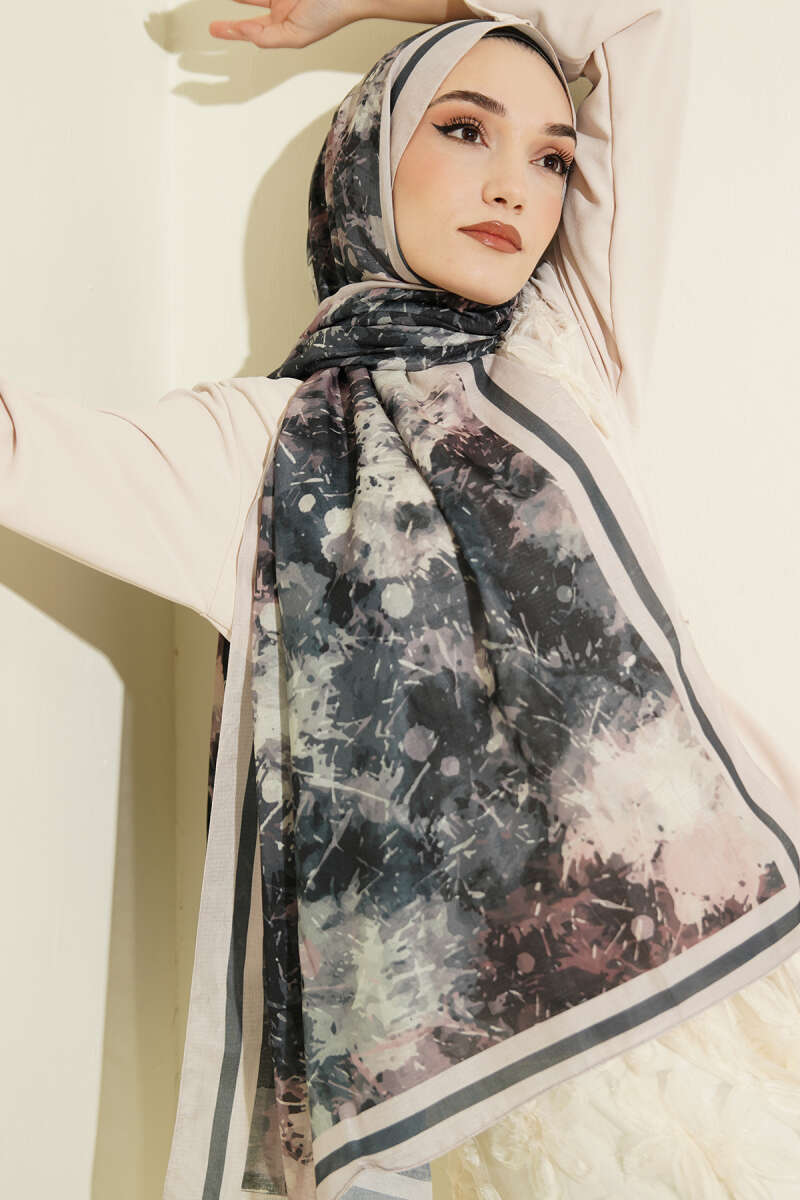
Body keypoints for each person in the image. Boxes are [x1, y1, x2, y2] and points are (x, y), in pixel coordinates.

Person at [2, 2, 799, 1199]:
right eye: (465, 129)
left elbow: (642, 17)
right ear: (368, 160)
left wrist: (380, 1)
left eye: (551, 157)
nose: (515, 185)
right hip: (468, 1096)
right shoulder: (258, 451)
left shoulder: (561, 357)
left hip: (715, 989)